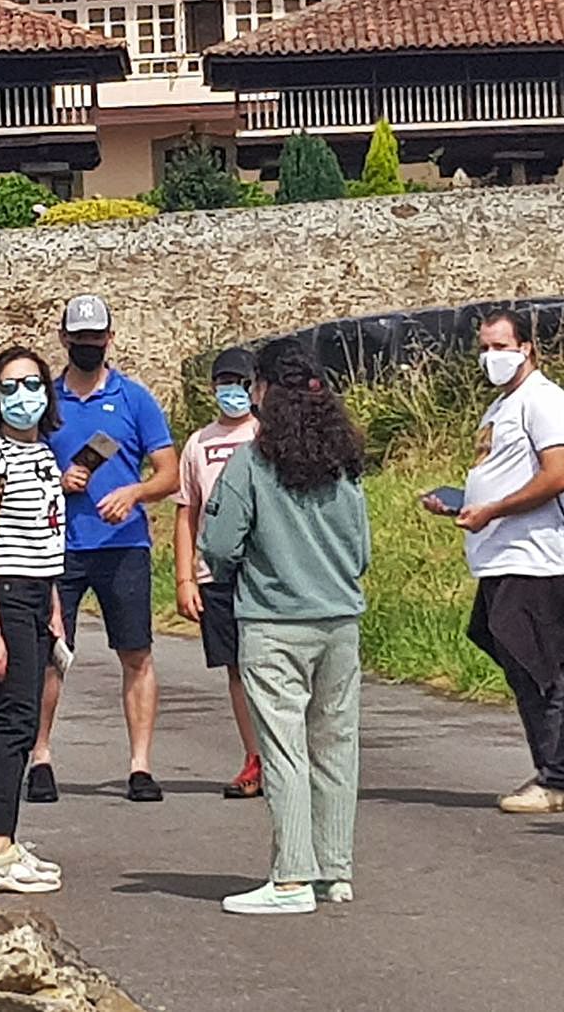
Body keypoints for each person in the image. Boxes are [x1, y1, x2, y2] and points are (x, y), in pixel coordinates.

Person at [200, 338, 370, 915]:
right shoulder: (345, 461)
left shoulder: (251, 462)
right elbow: (363, 550)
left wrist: (239, 566)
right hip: (340, 621)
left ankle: (292, 876)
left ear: (265, 390)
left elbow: (219, 543)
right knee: (336, 745)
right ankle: (334, 869)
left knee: (284, 748)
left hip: (274, 620)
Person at [426, 309, 564, 813]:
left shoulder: (543, 400)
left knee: (541, 664)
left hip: (533, 556)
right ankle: (550, 766)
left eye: (501, 346)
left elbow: (556, 474)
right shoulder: (501, 406)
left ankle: (561, 776)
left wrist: (494, 508)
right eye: (485, 347)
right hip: (499, 553)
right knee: (517, 659)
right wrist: (466, 502)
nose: (491, 356)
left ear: (526, 350)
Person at [33, 294, 179, 804]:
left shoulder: (135, 399)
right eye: (80, 338)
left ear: (110, 338)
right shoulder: (44, 403)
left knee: (136, 651)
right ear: (64, 338)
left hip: (124, 543)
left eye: (97, 337)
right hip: (57, 544)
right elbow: (17, 467)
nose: (89, 345)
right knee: (50, 653)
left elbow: (169, 472)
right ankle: (40, 758)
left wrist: (133, 492)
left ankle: (140, 766)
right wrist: (56, 477)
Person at [0, 346, 69, 893]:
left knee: (23, 720)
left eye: (32, 384)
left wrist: (52, 607)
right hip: (0, 595)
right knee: (13, 719)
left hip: (33, 594)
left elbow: (46, 537)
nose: (23, 397)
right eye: (9, 388)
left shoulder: (44, 456)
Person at [174, 347, 265, 799]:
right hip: (218, 573)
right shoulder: (198, 443)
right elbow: (186, 513)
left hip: (266, 571)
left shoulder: (267, 435)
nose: (233, 392)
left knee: (273, 663)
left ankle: (291, 754)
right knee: (236, 668)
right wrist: (186, 578)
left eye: (241, 382)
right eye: (224, 383)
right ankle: (254, 757)